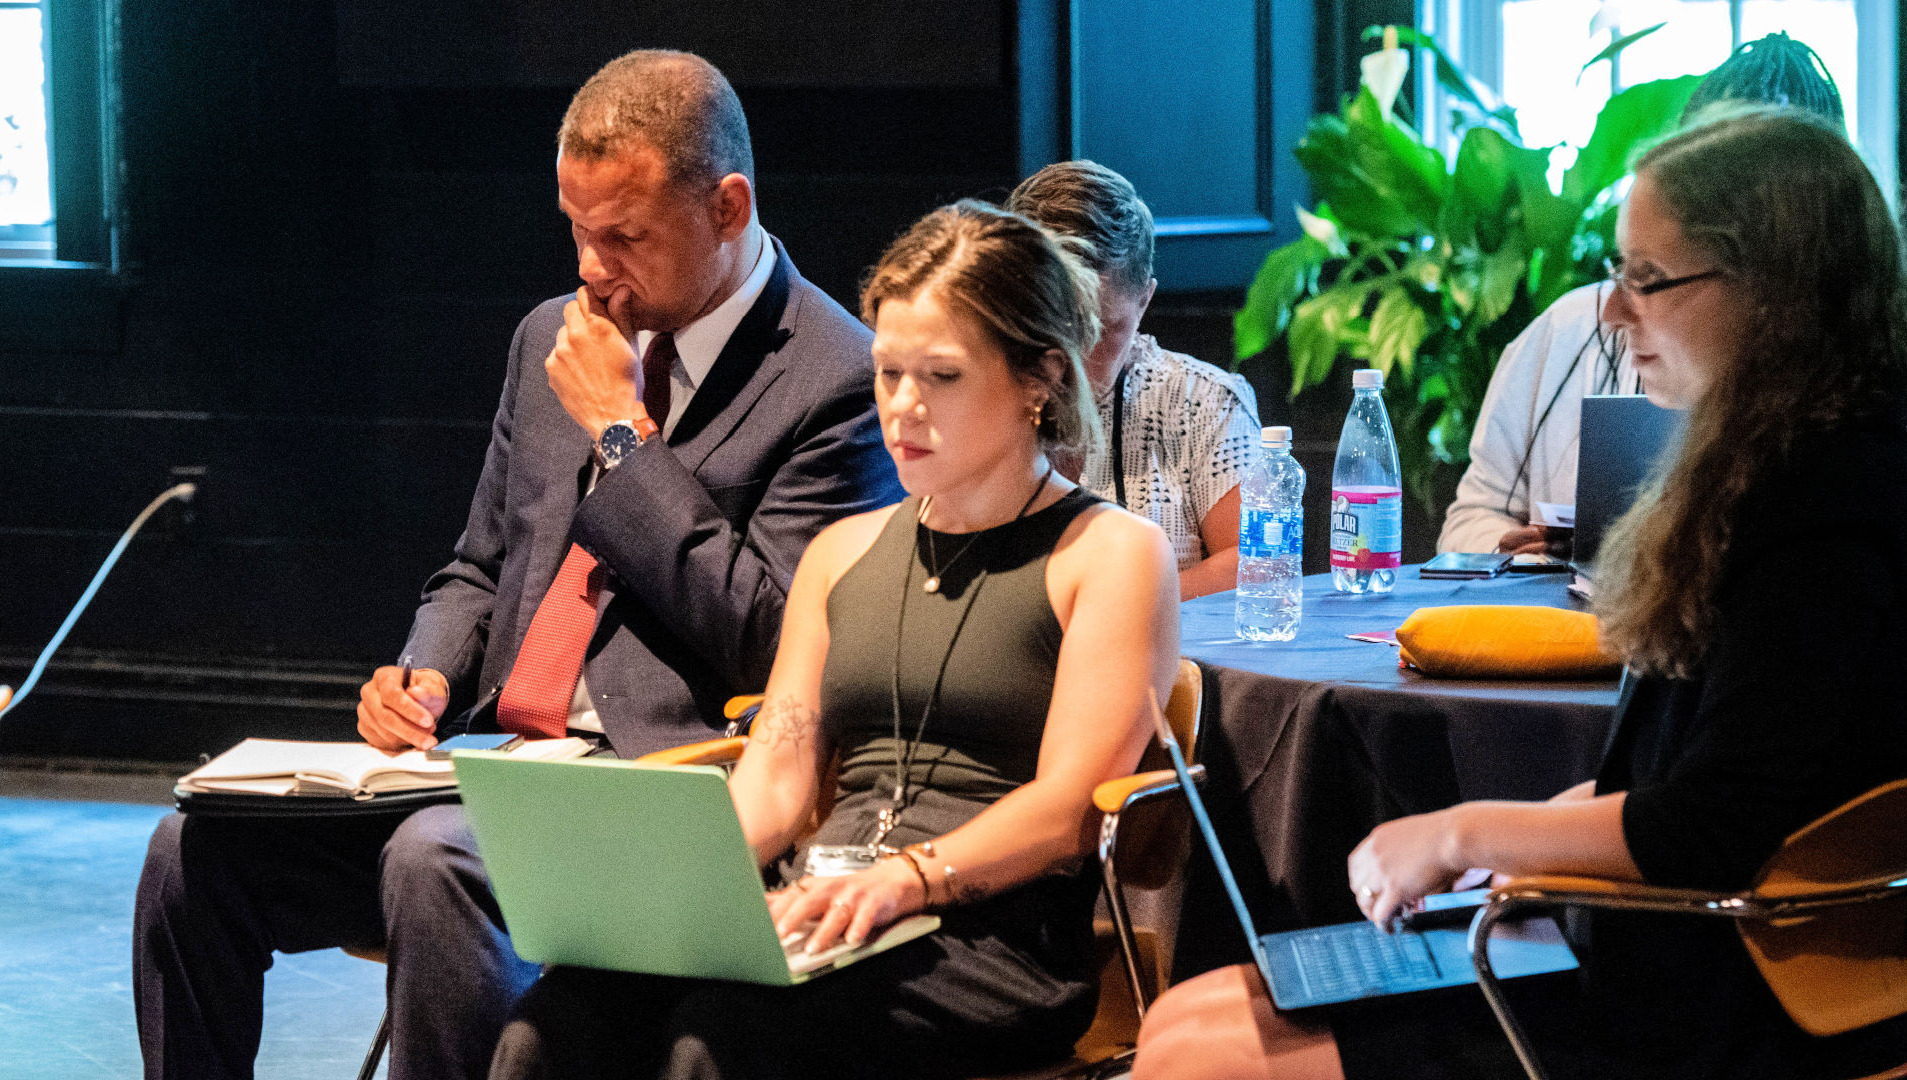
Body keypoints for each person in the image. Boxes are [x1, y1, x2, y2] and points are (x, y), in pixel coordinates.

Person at [132, 50, 902, 1080]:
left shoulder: (838, 381)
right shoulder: (551, 335)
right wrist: (428, 672)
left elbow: (772, 636)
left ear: (727, 208)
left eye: (624, 236)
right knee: (194, 853)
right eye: (576, 230)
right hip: (487, 770)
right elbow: (477, 566)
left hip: (663, 793)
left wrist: (624, 442)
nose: (590, 267)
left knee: (431, 860)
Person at [1134, 107, 1907, 1079]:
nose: (1615, 312)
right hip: (1674, 947)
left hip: (1723, 995)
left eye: (1645, 278)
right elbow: (1708, 778)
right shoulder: (1793, 477)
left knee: (1204, 1054)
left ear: (1772, 295)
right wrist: (1507, 840)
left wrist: (1459, 831)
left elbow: (1706, 829)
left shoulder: (1825, 511)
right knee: (1186, 1021)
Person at [486, 200, 1181, 1080]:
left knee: (720, 1039)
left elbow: (1072, 806)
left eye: (942, 377)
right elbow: (777, 777)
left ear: (1038, 379)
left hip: (990, 936)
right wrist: (660, 904)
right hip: (824, 902)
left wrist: (909, 878)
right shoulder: (842, 552)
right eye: (889, 373)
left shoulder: (1111, 554)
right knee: (554, 1024)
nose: (903, 407)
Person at [1438, 32, 1846, 555]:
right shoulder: (1571, 328)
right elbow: (1473, 514)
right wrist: (1529, 553)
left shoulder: (1844, 429)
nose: (1617, 312)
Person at [1006, 160, 1263, 598]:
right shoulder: (973, 397)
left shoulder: (1203, 401)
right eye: (1051, 325)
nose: (1070, 355)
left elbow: (1256, 563)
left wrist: (1111, 613)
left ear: (1144, 300)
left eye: (1099, 329)